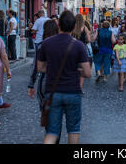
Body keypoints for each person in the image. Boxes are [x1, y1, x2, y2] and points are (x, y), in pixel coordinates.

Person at [37, 10, 91, 144]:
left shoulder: (46, 43)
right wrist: (76, 71)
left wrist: (53, 68)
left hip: (52, 91)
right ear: (74, 27)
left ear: (59, 25)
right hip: (73, 91)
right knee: (73, 129)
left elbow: (40, 68)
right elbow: (88, 73)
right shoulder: (79, 45)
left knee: (52, 132)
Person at [72, 14, 92, 94]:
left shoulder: (72, 27)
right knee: (82, 69)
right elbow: (89, 40)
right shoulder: (85, 28)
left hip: (72, 49)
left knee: (73, 67)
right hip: (82, 49)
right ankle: (80, 87)